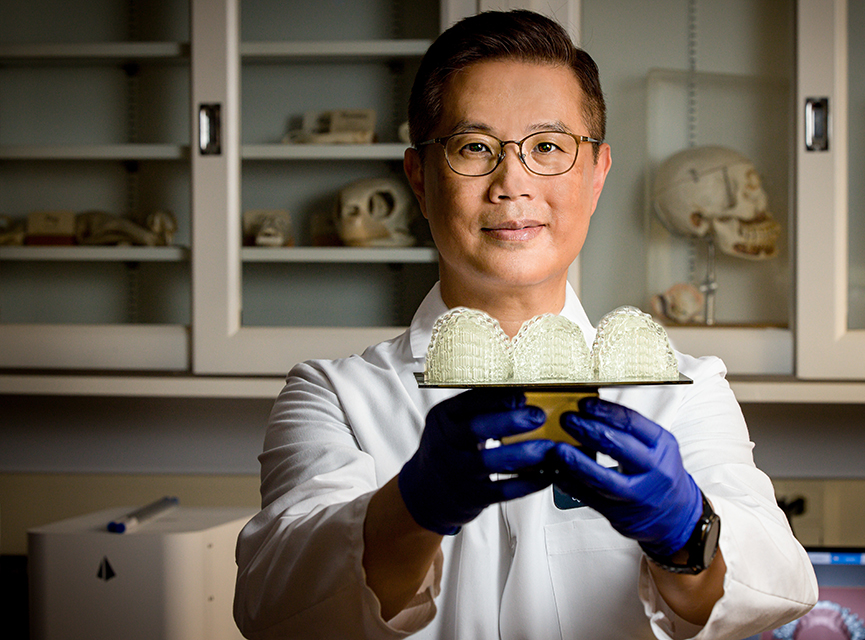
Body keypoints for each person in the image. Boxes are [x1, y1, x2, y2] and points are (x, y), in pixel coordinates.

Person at [234, 10, 817, 639]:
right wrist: (411, 507)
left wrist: (686, 531)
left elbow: (779, 583)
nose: (512, 183)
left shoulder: (684, 391)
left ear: (596, 176)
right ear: (419, 180)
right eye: (474, 148)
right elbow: (275, 603)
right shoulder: (336, 396)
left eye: (547, 147)